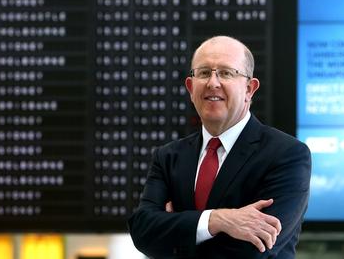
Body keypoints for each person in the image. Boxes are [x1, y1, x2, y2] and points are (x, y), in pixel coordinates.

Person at [128, 36, 311, 258]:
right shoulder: (168, 156)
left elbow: (253, 250)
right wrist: (217, 220)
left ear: (249, 89)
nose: (213, 83)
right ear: (190, 87)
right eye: (204, 73)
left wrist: (175, 228)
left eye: (226, 73)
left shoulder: (287, 154)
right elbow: (142, 231)